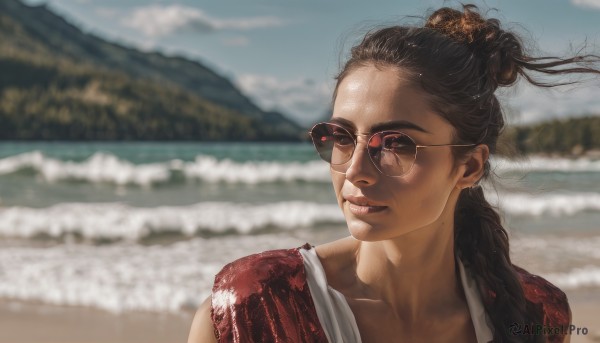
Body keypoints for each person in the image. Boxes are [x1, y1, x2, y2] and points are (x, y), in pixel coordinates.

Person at [188, 4, 600, 343]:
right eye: (342, 136)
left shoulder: (536, 316)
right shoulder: (254, 307)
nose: (355, 171)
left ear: (469, 166)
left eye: (397, 143)